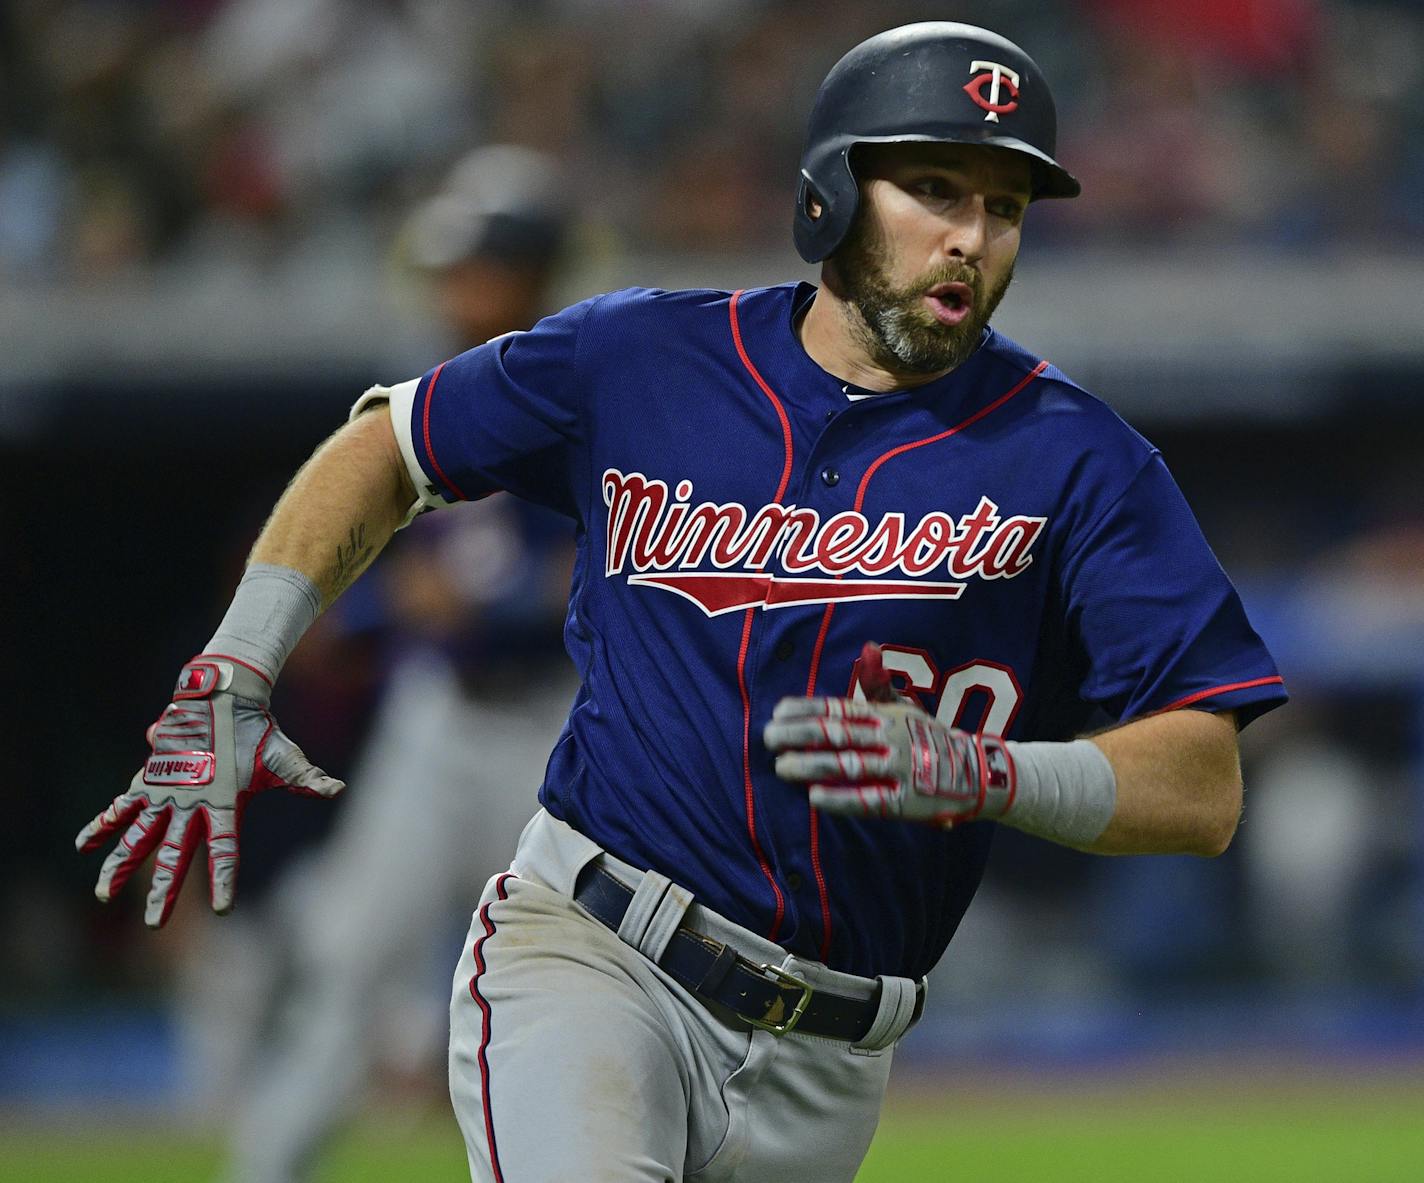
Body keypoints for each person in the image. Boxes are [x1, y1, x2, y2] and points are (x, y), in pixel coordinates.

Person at [78, 23, 1287, 1183]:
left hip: (832, 1058)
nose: (970, 237)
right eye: (933, 190)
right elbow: (386, 443)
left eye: (1003, 207)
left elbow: (1202, 782)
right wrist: (241, 657)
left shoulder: (1076, 458)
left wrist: (994, 775)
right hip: (595, 955)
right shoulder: (642, 360)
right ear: (829, 193)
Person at [186, 145, 578, 1183]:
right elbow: (377, 572)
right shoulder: (431, 400)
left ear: (530, 270)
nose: (452, 291)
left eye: (475, 267)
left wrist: (483, 599)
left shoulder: (589, 393)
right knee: (347, 957)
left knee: (576, 979)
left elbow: (597, 579)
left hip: (554, 726)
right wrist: (365, 611)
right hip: (437, 713)